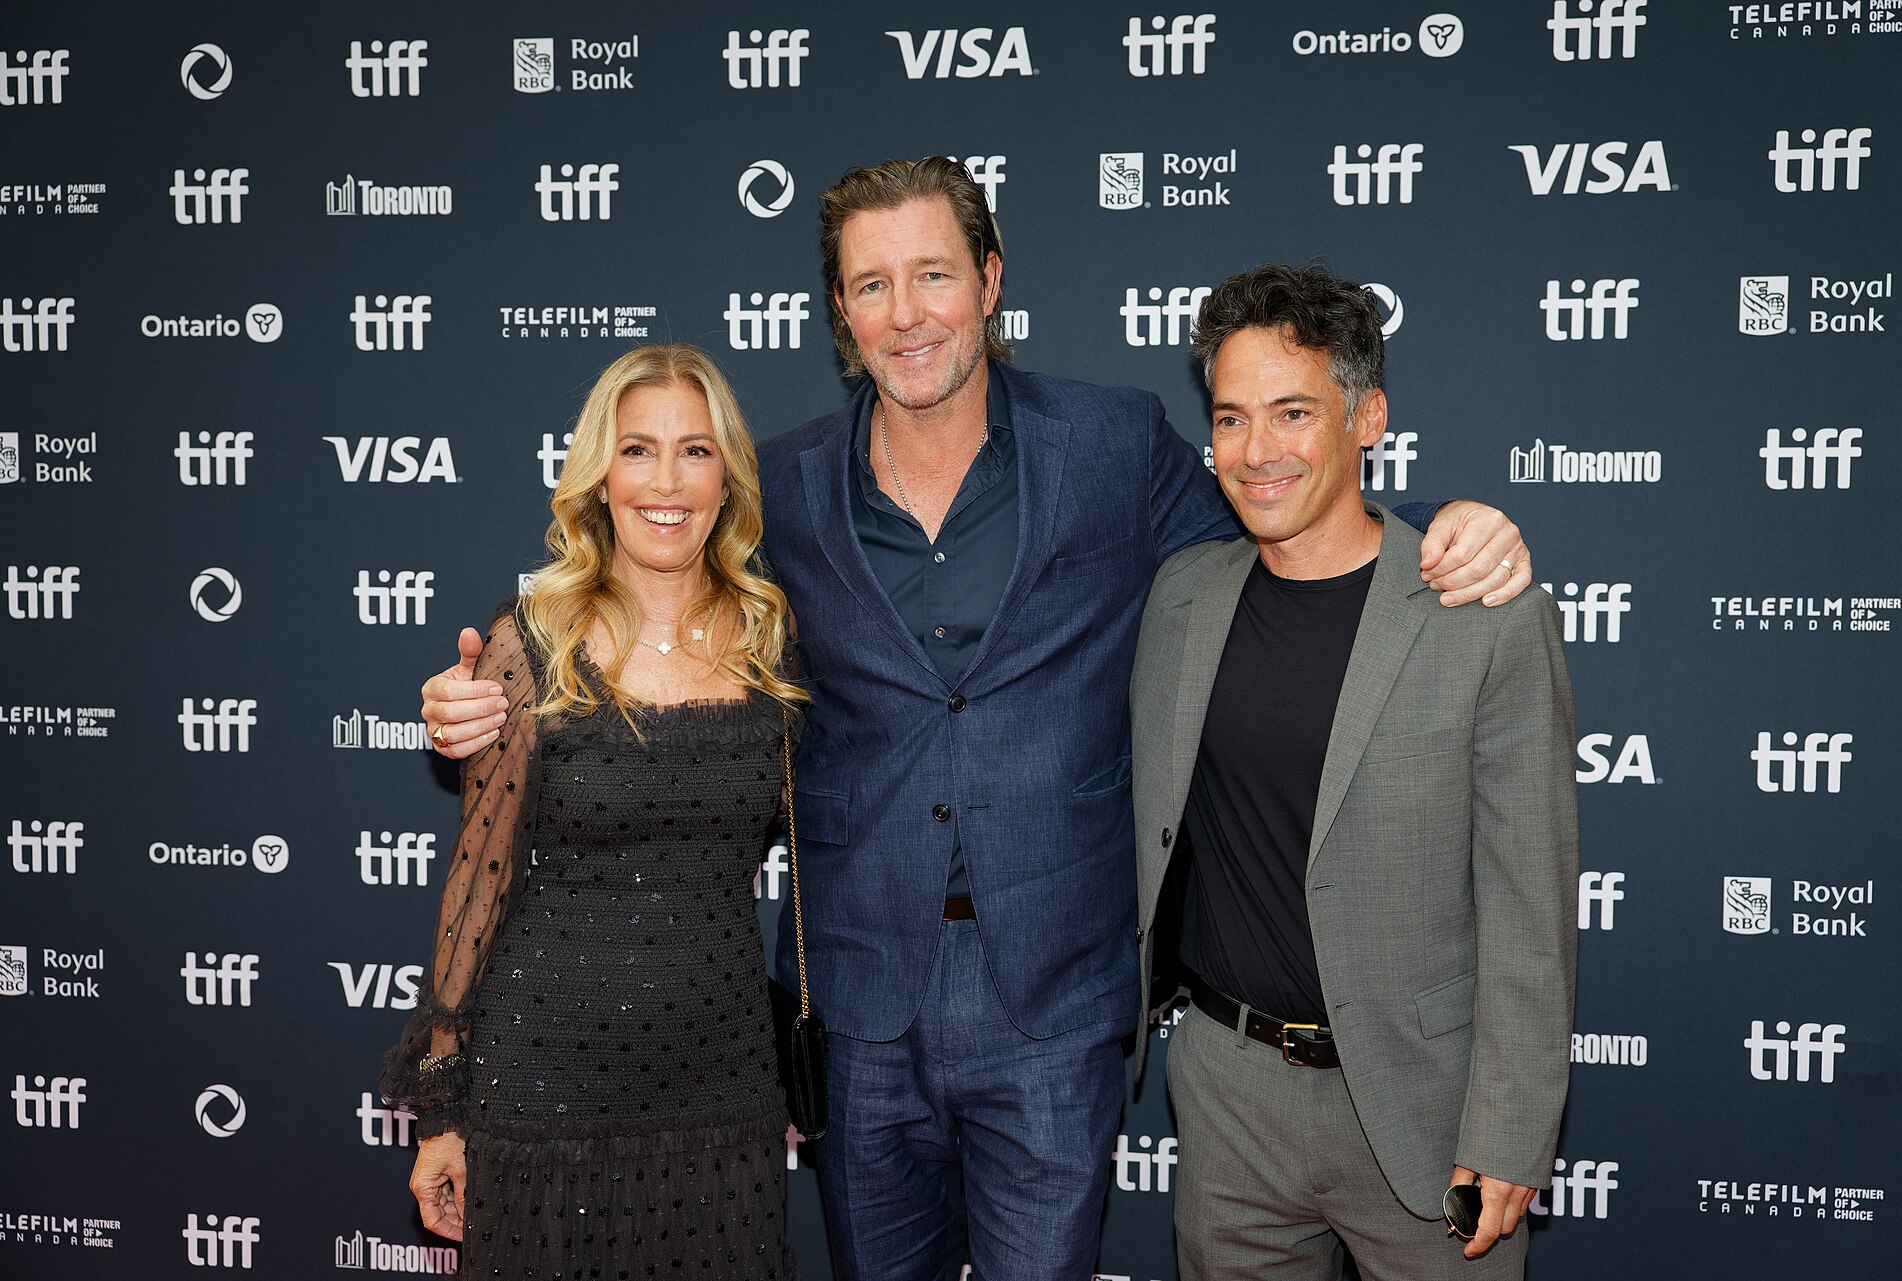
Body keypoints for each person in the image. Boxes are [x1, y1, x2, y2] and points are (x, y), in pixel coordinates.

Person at [421, 158, 1535, 1279]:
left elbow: (1290, 523)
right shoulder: (788, 485)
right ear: (840, 311)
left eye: (932, 275)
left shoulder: (1112, 444)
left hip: (1054, 998)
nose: (904, 316)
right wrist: (495, 691)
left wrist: (1448, 523)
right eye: (869, 286)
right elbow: (656, 584)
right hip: (859, 1001)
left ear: (991, 280)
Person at [1130, 263, 1577, 1280]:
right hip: (1229, 1099)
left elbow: (1530, 906)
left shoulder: (1484, 616)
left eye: (1293, 412)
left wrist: (1509, 1132)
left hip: (1424, 1103)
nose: (1258, 451)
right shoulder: (1182, 597)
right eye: (1232, 418)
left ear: (1367, 416)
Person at [382, 344, 808, 1280]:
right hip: (544, 1086)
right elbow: (475, 890)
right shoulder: (531, 641)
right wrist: (444, 1113)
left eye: (696, 451)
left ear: (728, 476)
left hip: (722, 1085)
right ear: (598, 477)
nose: (667, 481)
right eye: (638, 450)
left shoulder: (775, 640)